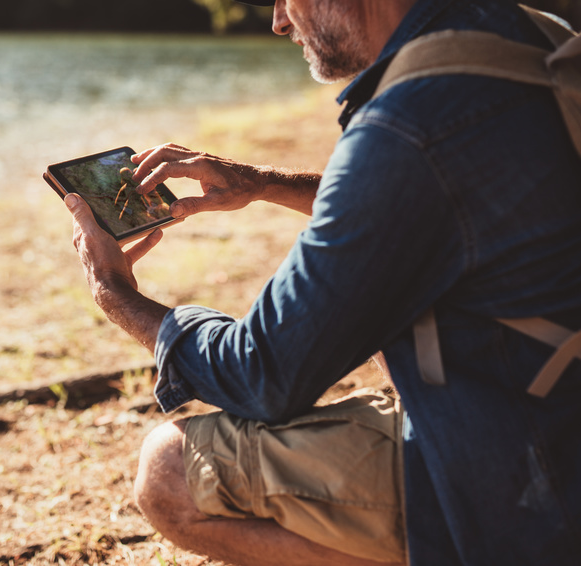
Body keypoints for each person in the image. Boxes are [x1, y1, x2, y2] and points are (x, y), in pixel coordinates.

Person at [63, 0, 581, 564]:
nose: (279, 21)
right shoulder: (532, 37)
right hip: (550, 402)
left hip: (528, 479)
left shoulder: (409, 126)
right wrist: (262, 183)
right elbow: (446, 192)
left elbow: (261, 373)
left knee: (169, 470)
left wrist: (117, 295)